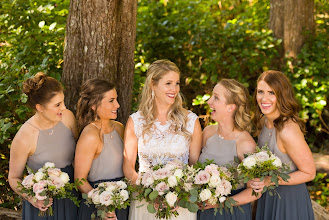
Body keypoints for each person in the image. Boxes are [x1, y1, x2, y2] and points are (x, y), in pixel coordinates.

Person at [123, 59, 202, 220]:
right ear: (153, 84)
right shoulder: (136, 121)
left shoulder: (191, 121)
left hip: (180, 205)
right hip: (145, 203)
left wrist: (180, 194)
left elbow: (195, 167)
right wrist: (151, 194)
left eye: (177, 83)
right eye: (168, 83)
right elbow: (128, 168)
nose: (174, 89)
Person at [8, 72, 78, 219]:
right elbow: (14, 178)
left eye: (63, 102)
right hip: (43, 205)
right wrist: (33, 198)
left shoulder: (68, 118)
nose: (64, 108)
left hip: (72, 196)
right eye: (57, 105)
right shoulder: (24, 137)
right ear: (40, 107)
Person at [251, 70, 315, 220]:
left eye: (271, 93)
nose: (264, 98)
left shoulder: (287, 130)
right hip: (268, 197)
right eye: (261, 92)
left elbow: (309, 172)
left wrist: (268, 181)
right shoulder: (264, 121)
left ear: (282, 95)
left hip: (289, 201)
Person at [197, 79, 259, 220]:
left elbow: (254, 191)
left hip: (230, 213)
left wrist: (221, 204)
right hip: (204, 211)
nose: (209, 102)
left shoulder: (245, 143)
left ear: (231, 107)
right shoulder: (208, 132)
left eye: (216, 98)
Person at [75, 79, 128, 220]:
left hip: (122, 200)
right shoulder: (90, 136)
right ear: (94, 105)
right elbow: (79, 180)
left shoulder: (119, 128)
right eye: (111, 100)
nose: (117, 105)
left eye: (116, 99)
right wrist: (102, 204)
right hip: (98, 207)